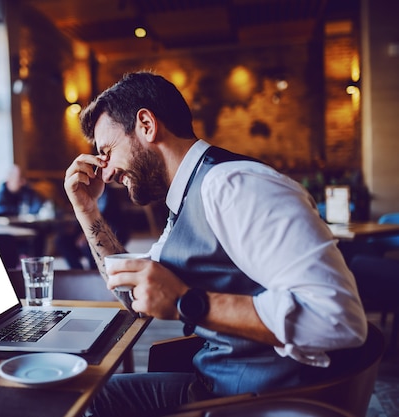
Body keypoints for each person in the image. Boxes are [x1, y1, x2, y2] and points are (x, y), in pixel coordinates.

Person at [63, 71, 367, 416]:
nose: (105, 172)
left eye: (107, 151)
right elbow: (133, 292)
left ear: (146, 124)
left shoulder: (232, 186)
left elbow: (338, 319)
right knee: (86, 398)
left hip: (258, 402)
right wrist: (86, 211)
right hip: (212, 385)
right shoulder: (188, 193)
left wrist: (187, 301)